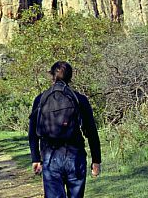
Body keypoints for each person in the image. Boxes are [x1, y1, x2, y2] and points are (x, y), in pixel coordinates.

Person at [28, 61, 101, 198]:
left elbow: (32, 133)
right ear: (70, 77)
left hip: (50, 157)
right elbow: (91, 132)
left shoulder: (40, 99)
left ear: (52, 76)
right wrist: (96, 160)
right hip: (75, 156)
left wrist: (35, 158)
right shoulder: (80, 99)